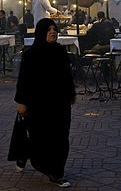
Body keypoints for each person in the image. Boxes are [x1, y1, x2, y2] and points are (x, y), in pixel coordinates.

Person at [14, 18, 76, 188]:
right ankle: (27, 154)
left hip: (60, 103)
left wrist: (71, 93)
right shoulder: (31, 55)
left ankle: (56, 173)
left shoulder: (60, 52)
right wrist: (22, 102)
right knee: (40, 138)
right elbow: (24, 80)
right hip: (38, 104)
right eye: (48, 29)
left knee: (61, 137)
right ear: (41, 32)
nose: (53, 32)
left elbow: (67, 75)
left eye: (54, 29)